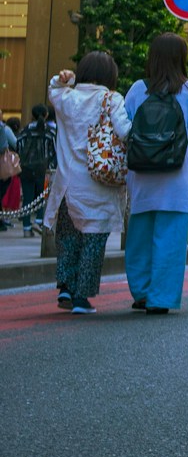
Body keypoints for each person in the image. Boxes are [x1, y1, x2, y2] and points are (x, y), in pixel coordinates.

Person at [124, 33, 188, 314]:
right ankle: (161, 298)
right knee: (170, 240)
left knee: (140, 237)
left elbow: (124, 132)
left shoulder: (137, 90)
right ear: (182, 58)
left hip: (141, 176)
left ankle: (142, 292)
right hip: (178, 179)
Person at [42, 54, 130, 314]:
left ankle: (65, 287)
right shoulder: (112, 99)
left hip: (67, 185)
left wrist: (63, 78)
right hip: (97, 185)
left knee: (68, 237)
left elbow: (54, 89)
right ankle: (81, 298)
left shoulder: (67, 98)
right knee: (93, 240)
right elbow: (125, 131)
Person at [16, 104, 56, 237]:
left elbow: (18, 146)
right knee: (43, 197)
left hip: (26, 168)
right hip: (43, 169)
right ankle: (39, 221)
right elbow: (55, 150)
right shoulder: (50, 131)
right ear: (46, 115)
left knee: (27, 199)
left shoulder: (25, 130)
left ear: (31, 115)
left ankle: (26, 228)